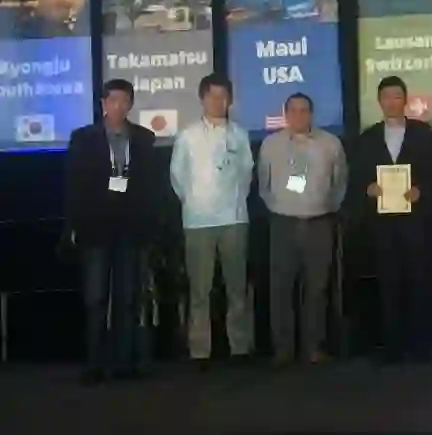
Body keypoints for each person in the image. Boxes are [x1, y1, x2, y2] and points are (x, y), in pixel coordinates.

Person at [65, 78, 157, 384]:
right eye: (113, 100)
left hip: (131, 230)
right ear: (103, 104)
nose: (118, 106)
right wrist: (74, 225)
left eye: (124, 101)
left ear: (131, 104)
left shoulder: (143, 138)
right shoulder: (83, 138)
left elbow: (150, 187)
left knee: (128, 299)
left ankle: (123, 362)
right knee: (95, 300)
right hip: (95, 229)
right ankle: (94, 364)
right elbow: (74, 185)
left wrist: (150, 226)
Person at [170, 74, 254, 369]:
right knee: (199, 291)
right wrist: (195, 201)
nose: (218, 102)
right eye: (213, 96)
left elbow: (246, 174)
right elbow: (177, 178)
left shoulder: (240, 135)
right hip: (198, 221)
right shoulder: (187, 135)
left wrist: (233, 201)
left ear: (230, 100)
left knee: (237, 288)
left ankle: (239, 347)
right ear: (202, 99)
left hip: (234, 219)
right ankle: (200, 351)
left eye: (223, 96)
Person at [354, 76, 432, 364]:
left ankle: (421, 345)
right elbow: (357, 177)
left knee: (419, 281)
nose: (391, 102)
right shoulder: (367, 138)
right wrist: (368, 188)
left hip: (417, 221)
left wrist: (422, 190)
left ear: (405, 100)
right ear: (379, 102)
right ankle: (393, 347)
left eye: (397, 96)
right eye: (386, 97)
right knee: (388, 284)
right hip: (382, 223)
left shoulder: (424, 134)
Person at [258, 93, 347, 366]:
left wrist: (325, 207)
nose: (299, 115)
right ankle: (283, 350)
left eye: (304, 110)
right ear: (285, 114)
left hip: (319, 222)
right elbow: (263, 184)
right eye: (294, 111)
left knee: (317, 289)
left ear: (312, 114)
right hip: (283, 223)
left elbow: (340, 182)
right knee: (281, 289)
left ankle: (314, 348)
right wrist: (280, 207)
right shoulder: (270, 144)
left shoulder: (331, 144)